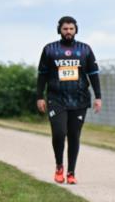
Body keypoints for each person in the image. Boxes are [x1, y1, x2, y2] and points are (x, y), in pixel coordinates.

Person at [36, 16, 102, 185]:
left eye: (71, 29)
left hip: (79, 99)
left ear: (76, 30)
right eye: (65, 29)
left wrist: (98, 97)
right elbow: (42, 75)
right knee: (59, 133)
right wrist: (39, 96)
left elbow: (93, 75)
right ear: (60, 30)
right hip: (56, 98)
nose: (68, 32)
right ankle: (59, 166)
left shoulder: (85, 50)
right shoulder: (50, 49)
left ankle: (71, 172)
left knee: (74, 135)